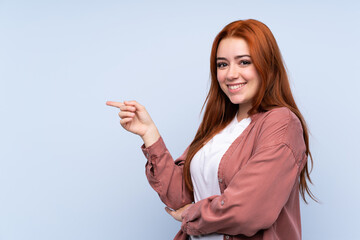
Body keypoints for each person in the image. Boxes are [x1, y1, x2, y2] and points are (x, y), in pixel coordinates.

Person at [106, 19, 316, 240]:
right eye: (222, 64)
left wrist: (191, 214)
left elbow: (248, 211)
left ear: (267, 65)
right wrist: (149, 133)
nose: (230, 74)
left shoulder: (281, 123)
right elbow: (180, 197)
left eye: (244, 62)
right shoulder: (218, 126)